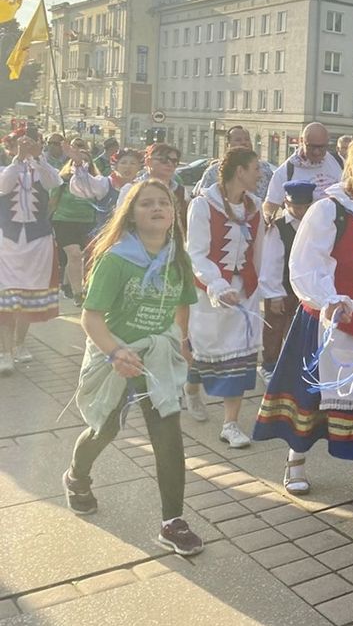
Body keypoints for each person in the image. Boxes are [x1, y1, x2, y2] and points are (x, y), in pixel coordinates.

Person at [253, 134, 353, 524]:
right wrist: (329, 300)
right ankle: (295, 460)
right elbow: (305, 264)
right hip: (333, 322)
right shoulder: (329, 209)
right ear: (349, 165)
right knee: (312, 399)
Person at [62, 179, 204, 556]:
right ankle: (77, 477)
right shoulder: (116, 259)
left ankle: (172, 521)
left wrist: (182, 341)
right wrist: (114, 353)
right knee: (105, 428)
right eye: (146, 204)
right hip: (115, 357)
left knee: (168, 436)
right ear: (130, 215)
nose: (157, 208)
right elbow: (91, 318)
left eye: (164, 203)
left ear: (174, 213)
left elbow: (183, 304)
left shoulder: (178, 257)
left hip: (156, 357)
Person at [184, 148, 265, 446]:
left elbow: (259, 254)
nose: (260, 174)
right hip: (209, 292)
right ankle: (192, 389)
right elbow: (196, 253)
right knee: (205, 349)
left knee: (240, 355)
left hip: (243, 292)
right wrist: (218, 285)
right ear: (240, 171)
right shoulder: (203, 205)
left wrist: (259, 291)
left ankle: (230, 425)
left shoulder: (255, 207)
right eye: (256, 168)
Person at [0, 130, 62, 374]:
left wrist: (38, 158)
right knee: (6, 298)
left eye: (29, 143)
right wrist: (18, 160)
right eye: (18, 144)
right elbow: (4, 187)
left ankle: (19, 344)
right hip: (7, 240)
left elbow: (54, 183)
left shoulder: (41, 170)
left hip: (37, 241)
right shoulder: (5, 170)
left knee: (26, 296)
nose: (24, 147)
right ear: (9, 147)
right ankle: (4, 351)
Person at [257, 180, 315, 386]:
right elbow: (271, 263)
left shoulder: (314, 225)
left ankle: (294, 366)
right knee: (275, 328)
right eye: (296, 207)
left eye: (305, 207)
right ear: (286, 204)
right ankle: (269, 366)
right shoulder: (278, 228)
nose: (300, 211)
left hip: (305, 290)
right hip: (282, 288)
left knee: (299, 331)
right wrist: (273, 294)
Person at [263, 122, 343, 220]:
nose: (316, 152)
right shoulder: (287, 170)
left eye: (321, 147)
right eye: (311, 147)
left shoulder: (338, 162)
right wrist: (268, 219)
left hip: (334, 229)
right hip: (299, 230)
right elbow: (271, 204)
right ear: (302, 141)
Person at [52, 139, 99, 305]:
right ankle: (78, 294)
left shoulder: (96, 180)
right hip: (64, 220)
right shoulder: (62, 179)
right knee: (74, 254)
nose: (82, 162)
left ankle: (67, 284)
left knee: (78, 257)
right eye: (78, 159)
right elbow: (53, 200)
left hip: (87, 222)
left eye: (85, 160)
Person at [68, 146, 144, 230]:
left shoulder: (142, 188)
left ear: (139, 167)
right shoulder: (105, 184)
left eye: (133, 163)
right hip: (105, 235)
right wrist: (78, 164)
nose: (128, 167)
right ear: (115, 166)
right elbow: (85, 183)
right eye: (123, 163)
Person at [192, 126, 276, 200]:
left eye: (247, 139)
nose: (244, 142)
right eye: (238, 140)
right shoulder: (213, 172)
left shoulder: (264, 170)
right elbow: (201, 199)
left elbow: (276, 197)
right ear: (227, 145)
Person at [116, 144, 188, 227]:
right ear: (148, 162)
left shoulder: (181, 192)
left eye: (174, 161)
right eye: (163, 160)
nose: (170, 164)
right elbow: (120, 223)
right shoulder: (130, 189)